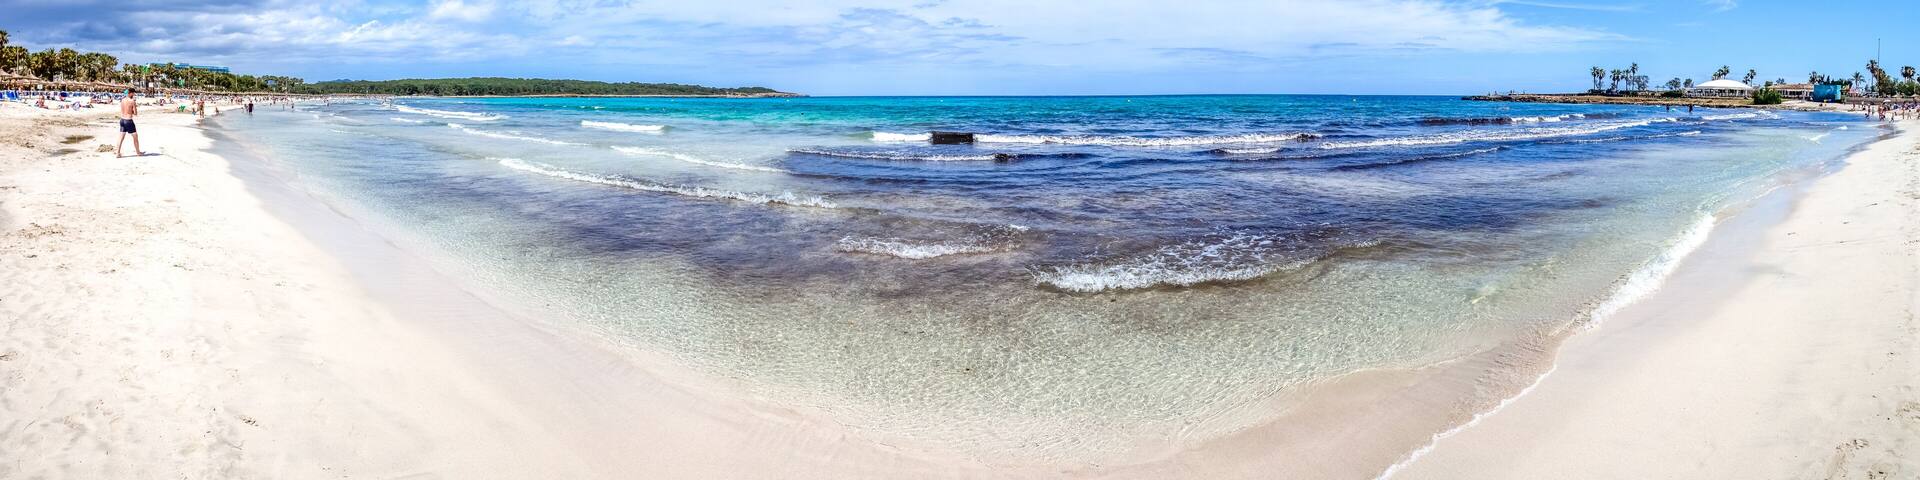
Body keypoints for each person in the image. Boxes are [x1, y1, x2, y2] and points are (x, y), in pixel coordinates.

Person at [116, 90, 144, 158]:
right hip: (128, 121)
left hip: (122, 120)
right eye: (133, 93)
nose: (133, 95)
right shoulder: (132, 101)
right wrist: (132, 110)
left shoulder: (122, 100)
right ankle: (138, 152)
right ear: (130, 93)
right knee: (135, 137)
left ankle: (118, 153)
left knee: (121, 137)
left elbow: (123, 110)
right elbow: (135, 113)